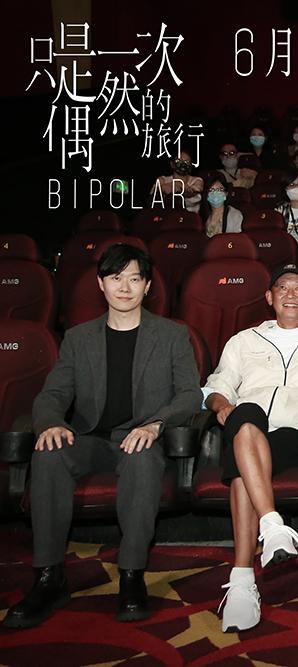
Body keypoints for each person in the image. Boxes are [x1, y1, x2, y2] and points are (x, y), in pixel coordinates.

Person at [3, 244, 201, 629]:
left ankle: (131, 575)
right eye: (115, 278)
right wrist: (51, 423)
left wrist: (156, 424)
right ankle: (49, 577)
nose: (124, 287)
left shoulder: (172, 335)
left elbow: (190, 394)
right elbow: (53, 394)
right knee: (49, 453)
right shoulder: (78, 338)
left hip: (141, 438)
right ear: (101, 284)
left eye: (134, 279)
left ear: (147, 287)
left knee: (141, 457)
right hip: (91, 438)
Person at [204, 264, 298, 632]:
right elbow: (216, 386)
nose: (291, 294)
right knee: (246, 416)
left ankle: (243, 580)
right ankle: (272, 527)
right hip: (247, 427)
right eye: (283, 288)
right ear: (269, 297)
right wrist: (222, 406)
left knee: (241, 467)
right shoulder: (244, 340)